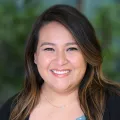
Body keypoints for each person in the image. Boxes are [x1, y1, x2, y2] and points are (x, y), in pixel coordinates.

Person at [0, 4, 120, 120]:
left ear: (87, 54)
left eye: (72, 48)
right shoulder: (11, 111)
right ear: (35, 56)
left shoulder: (115, 105)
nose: (61, 61)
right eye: (49, 49)